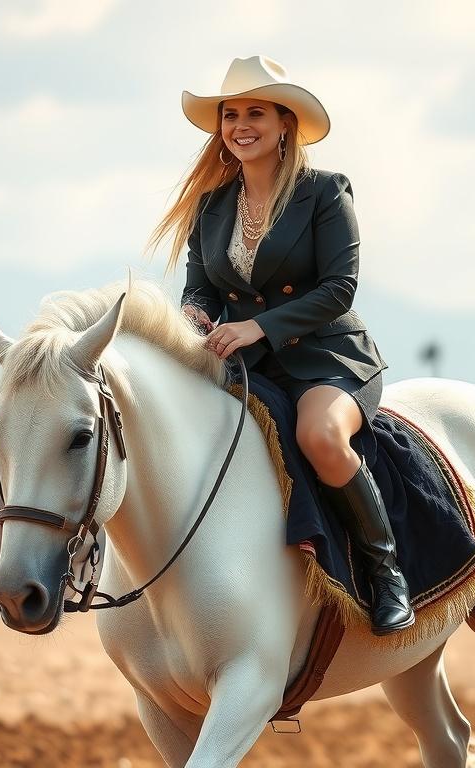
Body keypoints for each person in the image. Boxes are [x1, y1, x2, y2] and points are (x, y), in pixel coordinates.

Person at [145, 55, 412, 635]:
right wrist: (194, 317)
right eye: (231, 114)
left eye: (255, 112)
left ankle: (385, 571)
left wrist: (256, 327)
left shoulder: (324, 192)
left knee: (318, 436)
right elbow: (200, 287)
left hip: (328, 358)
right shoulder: (211, 206)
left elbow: (339, 289)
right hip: (250, 362)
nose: (241, 124)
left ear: (286, 122)